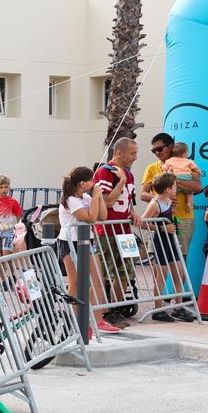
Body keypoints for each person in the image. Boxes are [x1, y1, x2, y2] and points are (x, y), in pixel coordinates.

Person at [58, 166, 120, 335]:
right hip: (70, 242)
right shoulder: (70, 200)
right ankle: (72, 319)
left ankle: (98, 319)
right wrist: (95, 198)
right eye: (91, 180)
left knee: (97, 279)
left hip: (88, 241)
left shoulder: (85, 197)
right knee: (76, 283)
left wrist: (97, 199)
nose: (94, 183)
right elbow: (90, 218)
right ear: (82, 183)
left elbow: (102, 217)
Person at [94, 137, 141, 323]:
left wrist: (134, 213)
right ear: (119, 153)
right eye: (133, 153)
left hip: (125, 231)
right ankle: (102, 312)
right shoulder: (104, 172)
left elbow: (127, 201)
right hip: (107, 232)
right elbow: (107, 201)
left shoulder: (129, 174)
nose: (136, 157)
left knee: (127, 272)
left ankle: (115, 309)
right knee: (106, 272)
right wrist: (120, 182)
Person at [142, 174, 195, 324]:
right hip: (161, 242)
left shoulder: (168, 201)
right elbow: (142, 222)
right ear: (168, 189)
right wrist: (162, 227)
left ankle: (178, 307)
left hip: (171, 241)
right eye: (175, 186)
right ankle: (158, 310)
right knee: (162, 277)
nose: (176, 188)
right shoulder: (155, 203)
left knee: (178, 272)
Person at [141, 132, 202, 259]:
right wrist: (162, 199)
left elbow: (197, 187)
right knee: (157, 259)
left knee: (180, 258)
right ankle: (159, 280)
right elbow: (143, 194)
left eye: (159, 149)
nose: (157, 153)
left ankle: (180, 280)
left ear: (171, 146)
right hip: (159, 220)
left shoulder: (187, 164)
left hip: (183, 218)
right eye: (154, 150)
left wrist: (174, 180)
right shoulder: (151, 168)